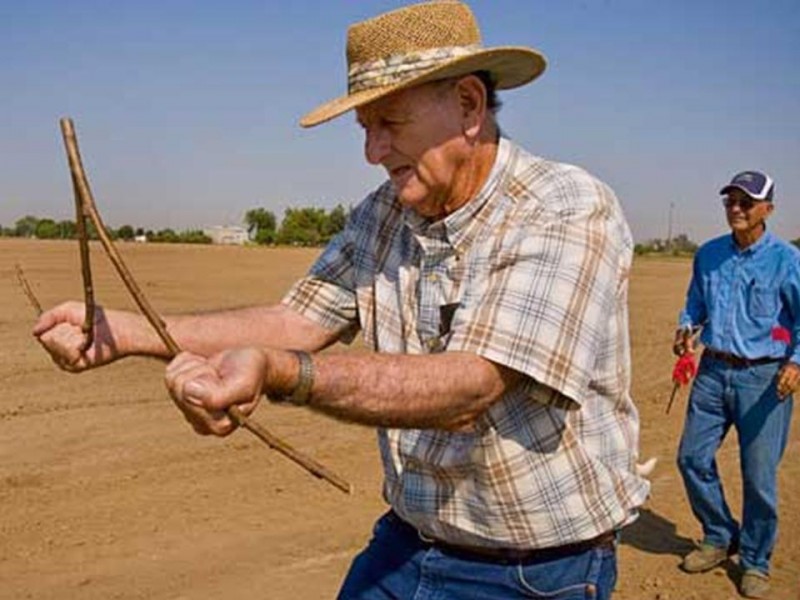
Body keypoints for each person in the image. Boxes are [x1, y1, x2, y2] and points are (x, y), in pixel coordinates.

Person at [34, 2, 650, 598]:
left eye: (390, 123)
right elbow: (297, 319)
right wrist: (126, 331)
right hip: (408, 542)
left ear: (468, 104)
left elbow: (472, 387)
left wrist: (280, 373)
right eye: (365, 128)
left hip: (531, 571)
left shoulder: (564, 208)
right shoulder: (381, 215)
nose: (372, 151)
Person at [673, 170, 800, 599]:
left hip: (765, 379)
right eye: (731, 201)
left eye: (747, 202)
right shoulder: (708, 255)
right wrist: (686, 327)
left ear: (768, 208)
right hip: (712, 372)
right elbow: (695, 302)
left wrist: (795, 362)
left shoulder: (786, 260)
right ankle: (718, 533)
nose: (737, 209)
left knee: (758, 477)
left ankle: (756, 560)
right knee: (691, 458)